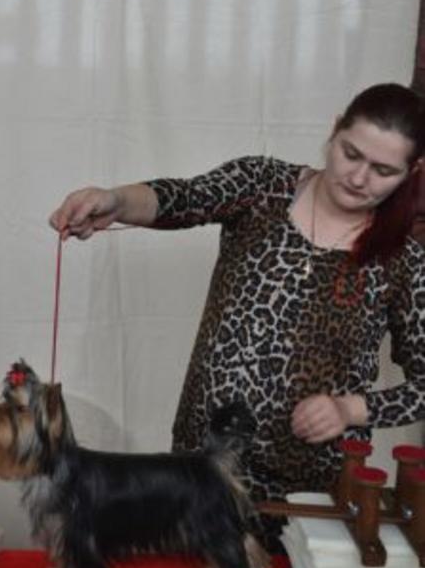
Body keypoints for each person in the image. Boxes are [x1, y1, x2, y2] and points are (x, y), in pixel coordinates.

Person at [49, 83, 425, 524]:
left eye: (383, 170)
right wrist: (115, 200)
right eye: (351, 153)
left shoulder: (404, 259)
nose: (359, 178)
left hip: (307, 492)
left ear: (412, 172)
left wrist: (350, 409)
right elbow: (182, 198)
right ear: (335, 129)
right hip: (202, 467)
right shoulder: (262, 184)